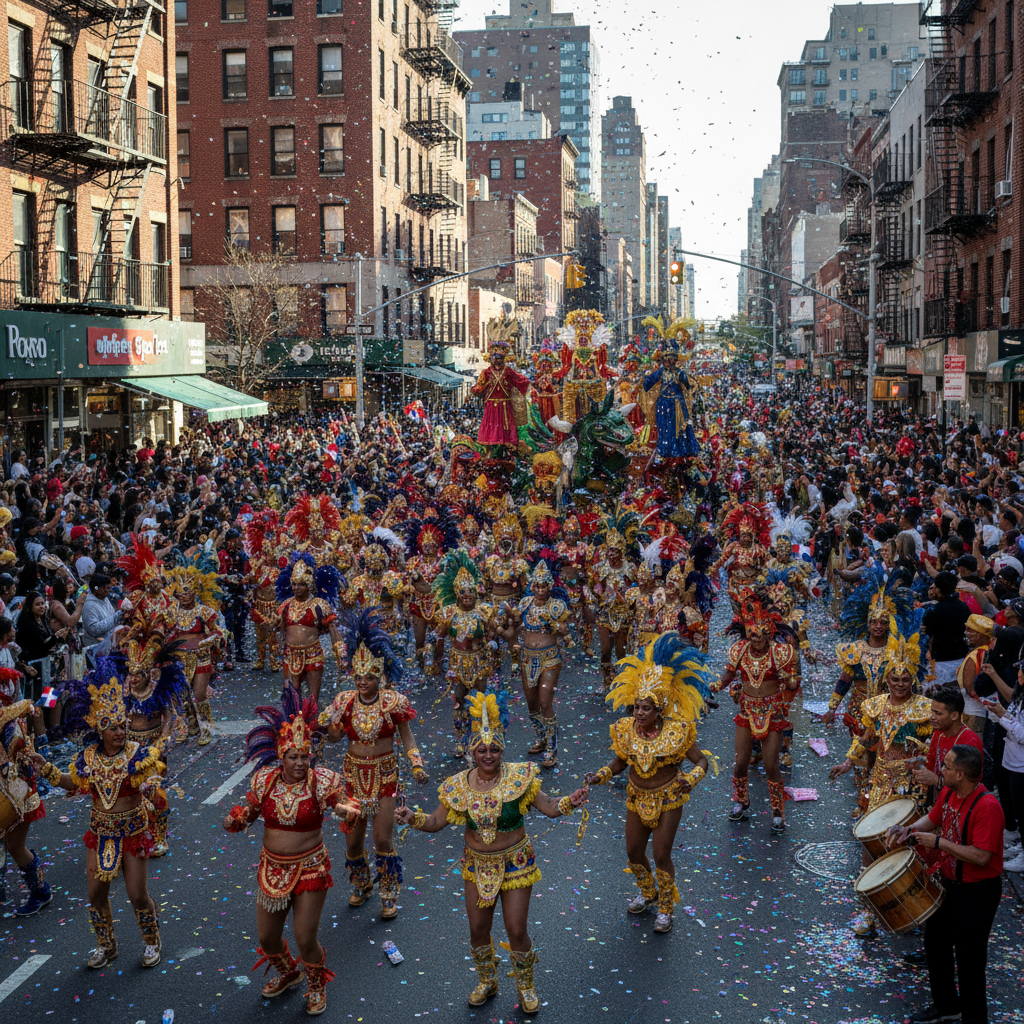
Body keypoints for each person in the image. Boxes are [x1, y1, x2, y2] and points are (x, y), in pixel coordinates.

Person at [395, 691, 588, 1013]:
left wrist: (571, 800)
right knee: (478, 930)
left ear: (502, 750)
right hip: (476, 864)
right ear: (472, 751)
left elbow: (550, 807)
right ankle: (487, 980)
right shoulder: (458, 785)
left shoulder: (519, 778)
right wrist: (411, 818)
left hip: (516, 862)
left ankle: (526, 986)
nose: (488, 755)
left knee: (516, 929)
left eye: (494, 749)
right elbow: (436, 822)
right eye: (482, 749)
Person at [223, 687, 360, 1016]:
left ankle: (316, 984)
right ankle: (289, 973)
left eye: (304, 756)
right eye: (293, 756)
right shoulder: (265, 781)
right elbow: (250, 812)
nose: (300, 762)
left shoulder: (321, 782)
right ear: (281, 756)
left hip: (310, 867)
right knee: (267, 938)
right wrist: (237, 819)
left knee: (305, 937)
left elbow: (343, 803)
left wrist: (346, 810)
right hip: (271, 868)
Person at [31, 672, 166, 968]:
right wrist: (46, 769)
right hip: (101, 832)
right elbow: (73, 782)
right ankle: (106, 945)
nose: (119, 732)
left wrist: (152, 790)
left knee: (137, 895)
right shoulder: (89, 758)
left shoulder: (137, 755)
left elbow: (155, 787)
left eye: (122, 726)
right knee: (96, 894)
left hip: (132, 832)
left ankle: (151, 940)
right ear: (100, 729)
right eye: (112, 727)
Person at [584, 632, 714, 933]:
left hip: (669, 797)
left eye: (646, 708)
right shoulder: (626, 730)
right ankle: (648, 891)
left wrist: (691, 780)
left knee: (661, 855)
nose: (639, 713)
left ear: (659, 709)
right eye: (636, 707)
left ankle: (666, 907)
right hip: (636, 796)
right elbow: (620, 762)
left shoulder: (677, 732)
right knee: (633, 852)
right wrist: (600, 775)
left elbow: (701, 761)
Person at [885, 745, 1004, 1024]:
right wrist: (908, 830)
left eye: (947, 767)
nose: (941, 770)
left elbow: (981, 856)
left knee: (969, 961)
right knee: (935, 944)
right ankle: (947, 1006)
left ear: (960, 774)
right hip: (949, 885)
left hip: (977, 894)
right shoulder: (950, 792)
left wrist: (939, 843)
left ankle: (975, 1019)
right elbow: (934, 818)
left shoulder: (987, 807)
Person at [319, 611, 427, 918]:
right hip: (353, 775)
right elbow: (335, 739)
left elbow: (407, 736)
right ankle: (362, 883)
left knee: (382, 838)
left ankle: (388, 892)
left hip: (385, 774)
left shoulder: (393, 702)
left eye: (369, 677)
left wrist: (416, 765)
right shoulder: (344, 701)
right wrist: (329, 728)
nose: (363, 682)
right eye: (358, 677)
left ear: (379, 676)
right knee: (353, 842)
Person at [829, 626, 933, 936]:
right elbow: (866, 738)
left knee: (909, 844)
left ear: (912, 681)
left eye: (905, 680)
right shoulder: (876, 706)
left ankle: (913, 905)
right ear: (887, 680)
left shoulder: (922, 709)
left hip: (910, 787)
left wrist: (923, 760)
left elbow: (931, 748)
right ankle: (869, 911)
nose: (900, 684)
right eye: (894, 679)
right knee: (871, 845)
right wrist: (848, 762)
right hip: (880, 783)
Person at [712, 590, 799, 832]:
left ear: (769, 634)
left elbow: (793, 683)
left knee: (771, 765)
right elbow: (728, 675)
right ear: (747, 634)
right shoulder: (740, 650)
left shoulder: (779, 653)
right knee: (740, 762)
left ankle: (777, 809)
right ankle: (741, 800)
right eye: (753, 636)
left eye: (762, 636)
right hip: (747, 712)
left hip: (772, 713)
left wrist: (790, 680)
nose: (757, 641)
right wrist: (715, 686)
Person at [499, 561, 571, 769]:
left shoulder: (556, 606)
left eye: (544, 586)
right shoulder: (525, 603)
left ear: (550, 586)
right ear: (532, 586)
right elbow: (514, 625)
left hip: (550, 658)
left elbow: (565, 630)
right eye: (537, 586)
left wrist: (553, 624)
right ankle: (541, 737)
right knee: (532, 705)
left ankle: (552, 746)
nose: (540, 590)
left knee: (545, 702)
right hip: (528, 658)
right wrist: (506, 621)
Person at [432, 550, 499, 756]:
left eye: (471, 590)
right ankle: (461, 739)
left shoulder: (483, 611)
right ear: (456, 593)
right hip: (458, 662)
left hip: (480, 660)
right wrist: (435, 657)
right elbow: (440, 636)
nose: (467, 595)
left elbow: (495, 632)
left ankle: (481, 737)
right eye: (463, 591)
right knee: (459, 699)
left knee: (481, 699)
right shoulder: (449, 612)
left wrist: (498, 631)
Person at [271, 553, 344, 705]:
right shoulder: (286, 605)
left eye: (301, 584)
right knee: (292, 698)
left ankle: (312, 719)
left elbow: (333, 630)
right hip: (290, 655)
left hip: (313, 654)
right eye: (294, 584)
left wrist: (341, 653)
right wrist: (273, 624)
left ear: (309, 585)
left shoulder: (319, 605)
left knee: (312, 699)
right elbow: (278, 628)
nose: (296, 588)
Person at [0, 699, 51, 916]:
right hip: (8, 796)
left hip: (17, 798)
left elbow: (22, 770)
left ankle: (41, 891)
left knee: (15, 846)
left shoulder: (10, 726)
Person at [922, 571, 972, 687]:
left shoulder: (934, 611)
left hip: (941, 662)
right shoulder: (963, 607)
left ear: (938, 589)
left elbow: (928, 636)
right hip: (961, 659)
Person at [956, 613, 994, 733]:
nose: (967, 633)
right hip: (980, 711)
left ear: (980, 634)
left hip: (973, 714)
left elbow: (970, 688)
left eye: (970, 630)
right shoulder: (987, 651)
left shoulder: (978, 654)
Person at [80, 573, 122, 649]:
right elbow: (94, 629)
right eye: (104, 588)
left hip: (108, 644)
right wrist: (117, 616)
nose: (107, 590)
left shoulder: (104, 598)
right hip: (95, 648)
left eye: (108, 588)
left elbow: (111, 615)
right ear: (96, 588)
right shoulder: (89, 605)